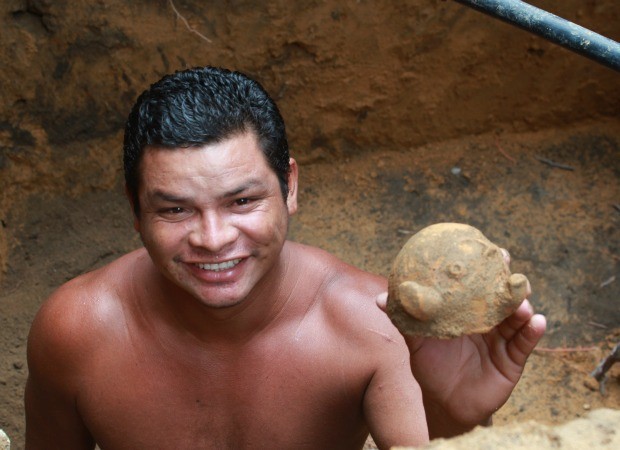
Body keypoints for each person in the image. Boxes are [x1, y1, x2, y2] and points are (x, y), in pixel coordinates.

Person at [24, 66, 546, 449]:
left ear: (290, 186)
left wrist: (453, 417)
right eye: (177, 209)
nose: (212, 238)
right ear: (135, 210)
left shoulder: (376, 326)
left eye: (243, 201)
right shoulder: (77, 331)